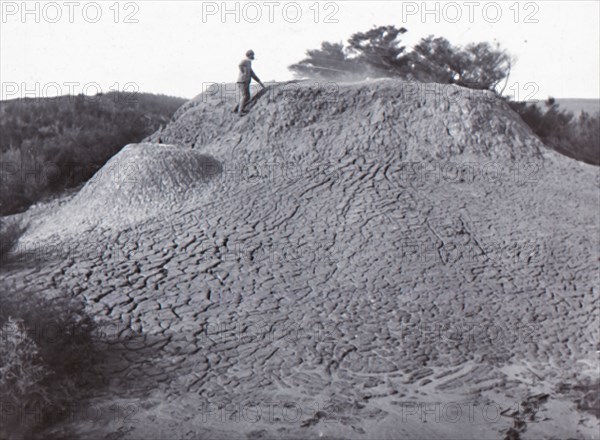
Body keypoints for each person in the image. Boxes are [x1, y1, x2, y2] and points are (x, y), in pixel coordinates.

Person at [237, 49, 265, 115]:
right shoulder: (245, 61)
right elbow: (239, 65)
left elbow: (252, 74)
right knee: (244, 96)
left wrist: (259, 82)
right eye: (252, 55)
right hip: (242, 81)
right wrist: (243, 72)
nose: (253, 57)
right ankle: (240, 111)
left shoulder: (249, 63)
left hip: (245, 81)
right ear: (249, 55)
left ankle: (238, 108)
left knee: (247, 97)